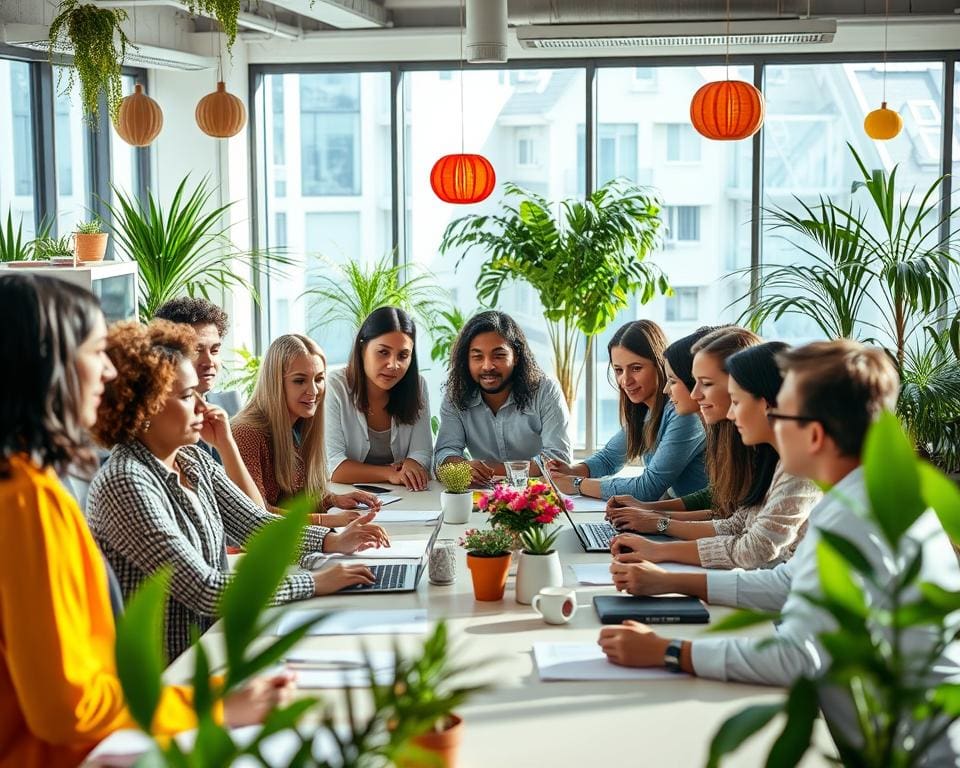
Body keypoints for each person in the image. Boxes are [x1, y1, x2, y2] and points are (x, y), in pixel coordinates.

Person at [597, 340, 960, 761]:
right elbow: (789, 583)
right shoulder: (857, 496)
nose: (744, 416)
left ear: (814, 434)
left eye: (779, 413)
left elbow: (796, 656)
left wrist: (669, 651)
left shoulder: (858, 517)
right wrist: (672, 581)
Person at [0, 275, 293, 767]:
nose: (110, 375)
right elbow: (66, 711)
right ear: (49, 366)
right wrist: (213, 703)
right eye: (96, 354)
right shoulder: (25, 498)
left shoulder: (33, 486)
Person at [87, 321, 387, 661]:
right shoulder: (126, 482)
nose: (203, 407)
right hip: (170, 675)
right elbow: (207, 590)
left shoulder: (190, 458)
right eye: (187, 396)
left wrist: (331, 541)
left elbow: (255, 523)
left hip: (215, 646)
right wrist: (316, 582)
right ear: (145, 407)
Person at [609, 342, 821, 569]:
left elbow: (755, 548)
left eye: (706, 384)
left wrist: (659, 537)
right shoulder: (775, 455)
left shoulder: (797, 466)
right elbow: (737, 522)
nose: (694, 393)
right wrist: (656, 525)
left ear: (768, 402)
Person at [605, 326, 761, 527]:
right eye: (618, 370)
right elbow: (720, 502)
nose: (666, 389)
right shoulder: (724, 434)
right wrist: (650, 513)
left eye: (673, 380)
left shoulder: (753, 443)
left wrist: (659, 524)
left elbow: (739, 529)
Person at [547, 320, 706, 501]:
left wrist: (577, 484)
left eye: (636, 368)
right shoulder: (645, 410)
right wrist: (571, 471)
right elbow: (609, 458)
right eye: (618, 370)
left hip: (703, 520)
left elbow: (648, 488)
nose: (625, 380)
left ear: (660, 364)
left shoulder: (683, 412)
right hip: (675, 511)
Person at [232, 334, 381, 525]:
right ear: (275, 383)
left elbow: (297, 498)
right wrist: (326, 520)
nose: (313, 391)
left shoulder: (300, 425)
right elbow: (256, 514)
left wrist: (332, 500)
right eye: (299, 381)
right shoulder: (246, 433)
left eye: (319, 379)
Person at [434, 310, 571, 483]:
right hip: (481, 497)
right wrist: (462, 467)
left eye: (499, 356)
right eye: (477, 357)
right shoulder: (456, 394)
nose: (487, 366)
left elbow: (558, 461)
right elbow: (444, 454)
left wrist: (489, 469)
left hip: (538, 496)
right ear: (466, 360)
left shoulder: (545, 390)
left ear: (516, 357)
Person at [154, 296, 265, 507]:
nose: (209, 361)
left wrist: (226, 444)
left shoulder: (218, 416)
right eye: (197, 350)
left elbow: (254, 516)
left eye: (214, 350)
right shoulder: (165, 435)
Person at [326, 307, 432, 491]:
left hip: (405, 497)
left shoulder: (418, 386)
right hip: (347, 499)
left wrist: (413, 463)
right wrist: (389, 473)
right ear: (362, 348)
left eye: (403, 355)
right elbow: (334, 466)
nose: (393, 365)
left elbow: (422, 451)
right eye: (383, 352)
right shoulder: (335, 387)